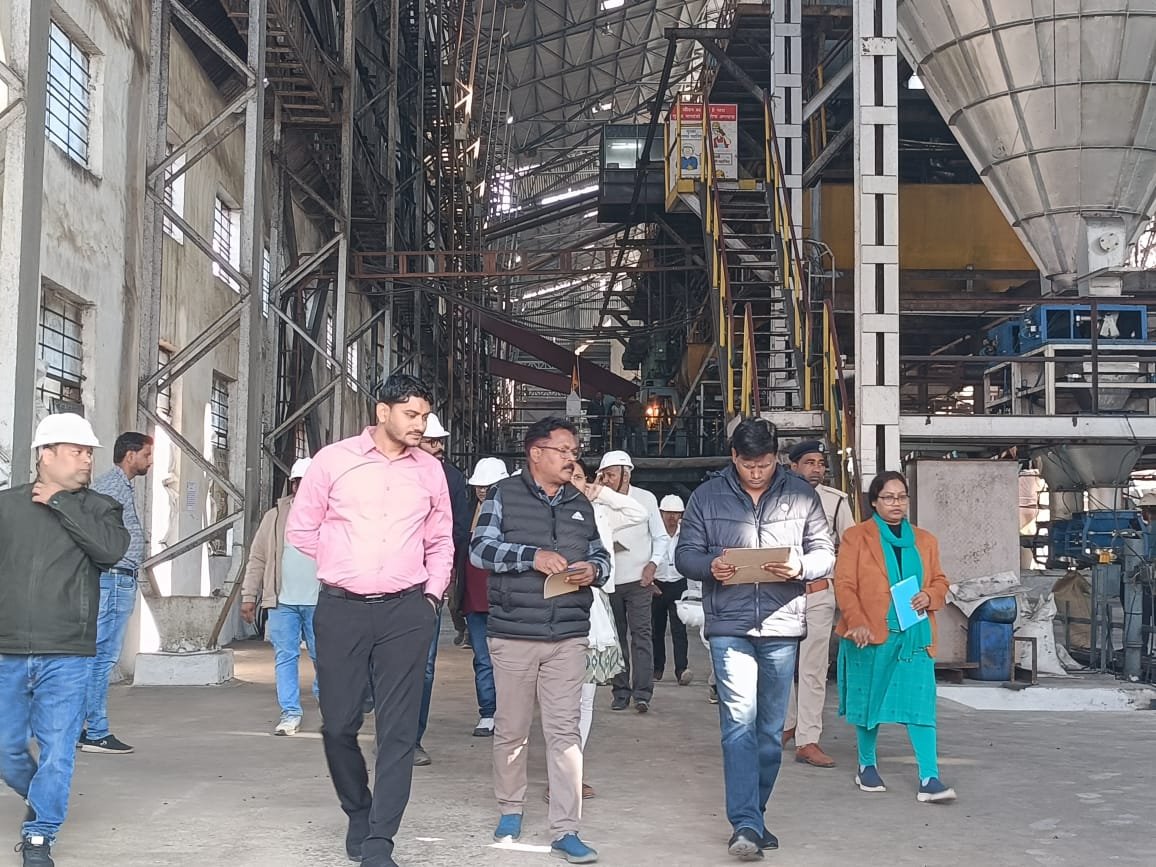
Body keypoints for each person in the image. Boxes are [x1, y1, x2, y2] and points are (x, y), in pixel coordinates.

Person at [285, 374, 453, 867]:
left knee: (397, 731)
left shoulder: (430, 472)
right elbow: (301, 528)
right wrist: (344, 563)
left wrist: (431, 595)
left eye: (424, 416)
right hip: (342, 609)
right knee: (338, 724)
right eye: (411, 414)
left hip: (407, 610)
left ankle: (380, 841)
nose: (420, 425)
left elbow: (441, 539)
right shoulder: (333, 461)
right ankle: (358, 810)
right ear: (383, 412)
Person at [675, 418, 834, 861]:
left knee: (769, 731)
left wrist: (800, 567)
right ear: (734, 457)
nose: (757, 473)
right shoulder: (707, 496)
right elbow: (685, 554)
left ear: (776, 458)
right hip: (729, 625)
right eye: (748, 465)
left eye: (764, 464)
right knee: (738, 723)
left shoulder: (801, 495)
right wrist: (711, 566)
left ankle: (754, 816)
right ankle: (744, 822)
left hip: (782, 624)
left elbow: (825, 553)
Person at [470, 417, 611, 865]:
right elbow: (480, 549)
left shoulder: (579, 503)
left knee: (565, 732)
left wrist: (595, 570)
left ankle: (566, 828)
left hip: (568, 633)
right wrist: (531, 557)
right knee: (512, 728)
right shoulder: (503, 495)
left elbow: (601, 554)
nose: (572, 458)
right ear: (536, 453)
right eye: (563, 450)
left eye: (574, 451)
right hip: (514, 632)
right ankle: (510, 808)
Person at [0, 413, 130, 867]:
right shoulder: (7, 507)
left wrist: (60, 502)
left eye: (90, 452)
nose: (87, 460)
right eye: (77, 451)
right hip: (7, 649)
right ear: (46, 454)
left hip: (67, 652)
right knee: (6, 749)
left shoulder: (100, 508)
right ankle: (42, 798)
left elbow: (111, 551)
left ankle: (40, 835)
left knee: (57, 751)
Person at [834, 470, 956, 804]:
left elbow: (941, 581)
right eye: (888, 497)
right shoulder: (857, 537)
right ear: (874, 502)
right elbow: (844, 584)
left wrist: (930, 595)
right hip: (870, 634)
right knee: (869, 701)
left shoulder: (925, 540)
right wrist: (856, 622)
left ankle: (929, 777)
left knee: (921, 705)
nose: (896, 503)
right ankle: (867, 765)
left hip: (914, 636)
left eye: (901, 497)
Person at [568, 460, 642, 798]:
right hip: (556, 605)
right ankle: (560, 770)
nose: (574, 482)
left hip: (594, 607)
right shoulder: (545, 513)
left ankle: (572, 771)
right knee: (560, 699)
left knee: (585, 698)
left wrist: (602, 493)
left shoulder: (601, 512)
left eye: (579, 477)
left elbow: (638, 513)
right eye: (569, 476)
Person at [783, 440, 856, 768]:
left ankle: (808, 739)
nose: (816, 469)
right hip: (781, 595)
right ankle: (787, 725)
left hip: (819, 592)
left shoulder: (836, 501)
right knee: (780, 665)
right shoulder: (776, 497)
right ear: (793, 466)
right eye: (809, 463)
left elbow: (851, 547)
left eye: (821, 463)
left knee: (812, 670)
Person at [82, 431, 154, 755]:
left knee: (100, 658)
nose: (149, 461)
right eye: (146, 455)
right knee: (102, 659)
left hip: (119, 579)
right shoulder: (109, 487)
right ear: (130, 455)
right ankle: (96, 732)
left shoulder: (121, 486)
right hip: (112, 581)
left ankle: (81, 728)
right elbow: (91, 532)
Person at [239, 457, 318, 737]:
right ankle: (290, 712)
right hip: (283, 602)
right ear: (293, 485)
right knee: (285, 657)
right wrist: (249, 595)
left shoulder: (331, 516)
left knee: (325, 658)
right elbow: (258, 558)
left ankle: (327, 702)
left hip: (321, 602)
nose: (305, 488)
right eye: (300, 483)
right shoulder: (274, 518)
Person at [413, 412, 473, 766]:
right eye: (430, 441)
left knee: (424, 666)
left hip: (428, 583)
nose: (437, 447)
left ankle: (411, 740)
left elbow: (458, 531)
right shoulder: (386, 472)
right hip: (385, 580)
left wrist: (446, 574)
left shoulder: (451, 478)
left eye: (439, 442)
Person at [597, 450, 669, 713]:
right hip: (609, 582)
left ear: (626, 475)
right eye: (604, 475)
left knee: (642, 636)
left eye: (611, 474)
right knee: (615, 638)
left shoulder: (645, 499)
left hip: (639, 580)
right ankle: (620, 692)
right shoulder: (599, 501)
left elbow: (660, 537)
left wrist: (653, 564)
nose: (606, 479)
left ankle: (642, 694)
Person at [461, 456, 510, 738]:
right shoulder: (467, 512)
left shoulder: (513, 516)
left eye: (487, 486)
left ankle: (508, 711)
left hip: (505, 599)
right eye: (479, 486)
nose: (482, 491)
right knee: (482, 658)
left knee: (509, 660)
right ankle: (488, 712)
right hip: (474, 600)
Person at [652, 494, 692, 686]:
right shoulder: (653, 531)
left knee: (679, 630)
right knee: (656, 629)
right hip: (657, 583)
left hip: (678, 583)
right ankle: (657, 668)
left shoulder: (687, 532)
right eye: (668, 513)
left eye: (676, 513)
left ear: (681, 515)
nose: (671, 517)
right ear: (661, 513)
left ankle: (681, 669)